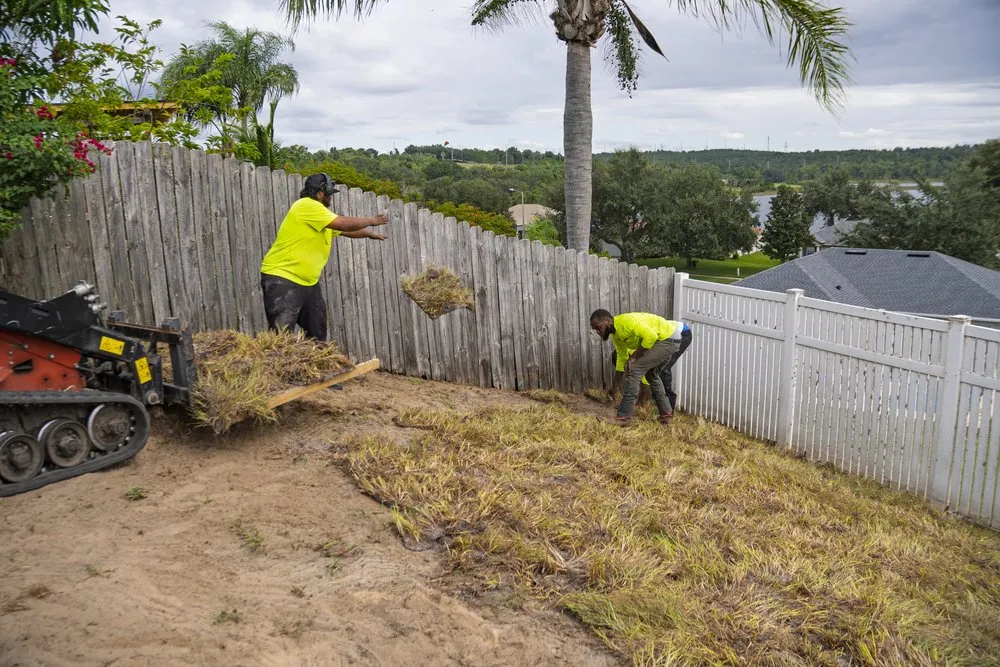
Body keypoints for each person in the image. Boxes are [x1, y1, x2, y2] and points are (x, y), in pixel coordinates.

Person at [260, 172, 389, 341]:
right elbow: (342, 223)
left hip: (308, 283)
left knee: (317, 337)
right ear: (320, 193)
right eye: (329, 194)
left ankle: (315, 367)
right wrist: (371, 220)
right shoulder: (306, 205)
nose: (331, 198)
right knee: (281, 337)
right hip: (282, 278)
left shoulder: (320, 218)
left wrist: (369, 234)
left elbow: (344, 230)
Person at [589, 309, 684, 427]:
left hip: (667, 339)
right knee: (651, 375)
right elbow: (621, 359)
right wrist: (615, 387)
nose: (598, 332)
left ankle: (623, 417)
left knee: (634, 369)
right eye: (595, 330)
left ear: (608, 321)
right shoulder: (616, 335)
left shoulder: (626, 322)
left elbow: (651, 336)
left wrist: (633, 357)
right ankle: (666, 416)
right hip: (666, 339)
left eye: (599, 327)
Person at [609, 320, 692, 412]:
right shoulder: (625, 352)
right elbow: (620, 366)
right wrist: (614, 388)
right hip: (666, 333)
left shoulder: (636, 354)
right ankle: (665, 410)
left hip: (681, 333)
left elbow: (646, 380)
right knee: (654, 372)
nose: (625, 370)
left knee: (663, 369)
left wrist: (639, 404)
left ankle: (669, 410)